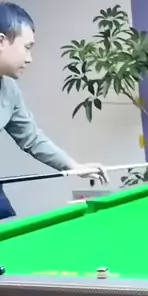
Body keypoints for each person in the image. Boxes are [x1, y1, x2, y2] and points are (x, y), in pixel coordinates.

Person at [0, 3, 107, 218]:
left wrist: (73, 166)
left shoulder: (9, 90)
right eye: (27, 47)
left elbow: (32, 138)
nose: (29, 58)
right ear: (1, 42)